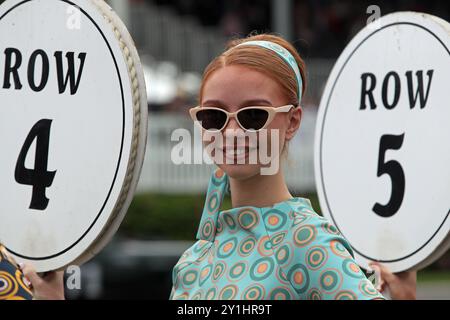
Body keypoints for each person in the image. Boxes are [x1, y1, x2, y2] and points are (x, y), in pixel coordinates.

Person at [17, 33, 416, 300]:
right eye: (213, 116)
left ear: (292, 121)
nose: (231, 130)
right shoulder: (194, 260)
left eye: (253, 115)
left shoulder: (309, 243)